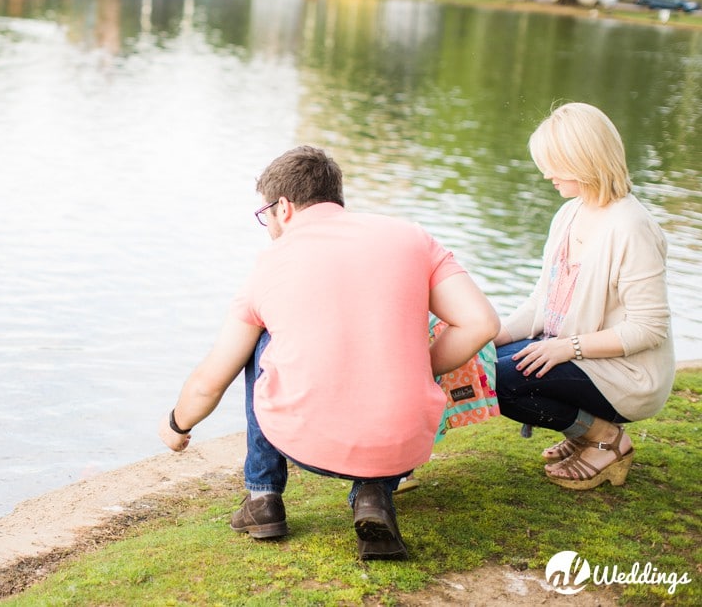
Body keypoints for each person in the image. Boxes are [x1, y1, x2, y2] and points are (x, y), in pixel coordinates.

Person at [158, 145, 499, 560]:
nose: (266, 224)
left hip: (307, 444)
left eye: (264, 214)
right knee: (402, 328)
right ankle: (373, 494)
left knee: (260, 340)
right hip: (403, 447)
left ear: (282, 207)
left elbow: (214, 377)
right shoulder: (411, 237)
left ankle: (263, 496)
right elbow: (481, 323)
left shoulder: (271, 263)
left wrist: (177, 425)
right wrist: (415, 365)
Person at [493, 102, 675, 491]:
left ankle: (605, 438)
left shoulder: (632, 227)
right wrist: (496, 334)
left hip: (627, 374)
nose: (546, 173)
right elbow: (543, 301)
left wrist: (567, 348)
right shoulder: (569, 214)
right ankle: (582, 432)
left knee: (500, 382)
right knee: (484, 362)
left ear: (584, 159)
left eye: (554, 163)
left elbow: (649, 328)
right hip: (576, 352)